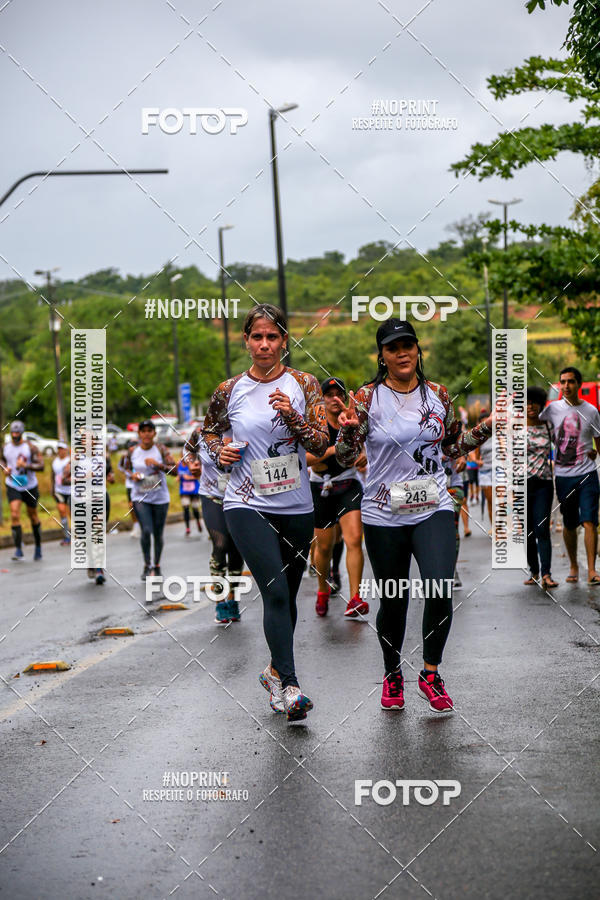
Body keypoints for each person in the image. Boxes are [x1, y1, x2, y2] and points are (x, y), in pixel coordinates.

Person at [336, 320, 493, 713]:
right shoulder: (366, 397)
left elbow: (452, 446)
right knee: (395, 599)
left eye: (408, 345)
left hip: (433, 505)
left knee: (439, 586)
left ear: (418, 350)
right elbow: (342, 457)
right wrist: (349, 434)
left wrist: (486, 429)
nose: (402, 353)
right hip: (382, 511)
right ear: (382, 356)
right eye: (393, 348)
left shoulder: (438, 394)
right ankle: (392, 674)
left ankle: (430, 673)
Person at [202, 303, 328, 721]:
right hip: (246, 501)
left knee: (288, 598)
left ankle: (274, 672)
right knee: (273, 591)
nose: (264, 344)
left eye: (272, 337)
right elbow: (207, 434)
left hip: (296, 503)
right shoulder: (228, 390)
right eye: (256, 337)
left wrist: (292, 417)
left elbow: (319, 442)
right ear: (246, 341)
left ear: (284, 342)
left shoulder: (304, 384)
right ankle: (291, 686)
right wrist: (221, 450)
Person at [306, 376, 368, 618]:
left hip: (348, 483)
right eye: (328, 394)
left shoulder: (352, 421)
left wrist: (363, 456)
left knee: (354, 539)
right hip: (320, 487)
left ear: (344, 398)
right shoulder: (315, 426)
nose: (334, 398)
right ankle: (322, 590)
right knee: (324, 546)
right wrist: (333, 450)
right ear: (322, 400)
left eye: (338, 394)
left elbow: (367, 447)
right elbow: (308, 460)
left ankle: (355, 598)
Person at [540, 366, 600, 584]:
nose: (566, 386)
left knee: (589, 522)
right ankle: (574, 565)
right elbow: (533, 424)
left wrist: (594, 452)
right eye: (563, 382)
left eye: (571, 382)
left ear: (579, 384)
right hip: (564, 476)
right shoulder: (552, 409)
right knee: (569, 524)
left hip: (588, 474)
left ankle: (592, 570)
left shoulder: (592, 411)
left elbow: (598, 442)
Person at [183, 431, 245, 625]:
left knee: (237, 547)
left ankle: (233, 599)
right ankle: (220, 601)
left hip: (240, 497)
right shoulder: (201, 431)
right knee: (220, 544)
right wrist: (192, 463)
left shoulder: (242, 424)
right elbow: (187, 449)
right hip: (212, 495)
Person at [122, 420, 177, 581]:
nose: (146, 433)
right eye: (143, 431)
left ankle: (157, 565)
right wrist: (131, 475)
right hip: (140, 497)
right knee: (146, 530)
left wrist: (158, 465)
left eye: (149, 431)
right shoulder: (132, 451)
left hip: (160, 498)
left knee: (158, 534)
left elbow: (174, 471)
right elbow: (125, 468)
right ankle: (147, 565)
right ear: (139, 434)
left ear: (154, 433)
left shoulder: (161, 449)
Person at [524, 387, 557, 589]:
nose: (530, 407)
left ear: (541, 404)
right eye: (526, 403)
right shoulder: (515, 427)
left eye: (534, 403)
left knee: (542, 528)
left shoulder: (547, 426)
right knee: (527, 531)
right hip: (522, 485)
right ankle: (534, 571)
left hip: (544, 484)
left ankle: (546, 573)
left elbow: (561, 448)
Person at [1, 421, 44, 561]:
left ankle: (38, 546)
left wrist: (26, 465)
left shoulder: (30, 447)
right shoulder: (6, 447)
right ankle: (18, 548)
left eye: (17, 433)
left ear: (21, 433)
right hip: (13, 484)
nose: (14, 436)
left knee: (33, 515)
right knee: (14, 514)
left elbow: (41, 466)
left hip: (30, 486)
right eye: (12, 433)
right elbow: (2, 460)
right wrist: (4, 469)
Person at [475, 411, 493, 533]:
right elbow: (475, 456)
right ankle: (495, 526)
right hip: (485, 471)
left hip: (500, 470)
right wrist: (477, 461)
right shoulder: (479, 437)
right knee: (490, 500)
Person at [118, 439, 140, 538]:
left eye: (134, 446)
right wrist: (130, 475)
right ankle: (136, 525)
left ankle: (144, 525)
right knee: (131, 506)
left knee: (142, 504)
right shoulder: (125, 457)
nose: (132, 448)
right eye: (131, 446)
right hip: (130, 485)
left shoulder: (141, 455)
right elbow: (121, 467)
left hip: (142, 484)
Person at [177, 455, 203, 537]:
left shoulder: (194, 463)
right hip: (184, 490)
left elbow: (198, 475)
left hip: (194, 490)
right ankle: (187, 528)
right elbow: (178, 476)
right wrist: (178, 478)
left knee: (195, 509)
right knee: (186, 508)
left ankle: (198, 521)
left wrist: (188, 477)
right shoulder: (179, 465)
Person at [51, 441, 71, 545]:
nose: (60, 451)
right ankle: (67, 536)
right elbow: (53, 476)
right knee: (62, 511)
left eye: (62, 449)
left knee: (72, 514)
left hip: (72, 490)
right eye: (58, 449)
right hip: (59, 490)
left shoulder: (70, 460)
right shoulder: (55, 462)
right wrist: (52, 490)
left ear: (66, 450)